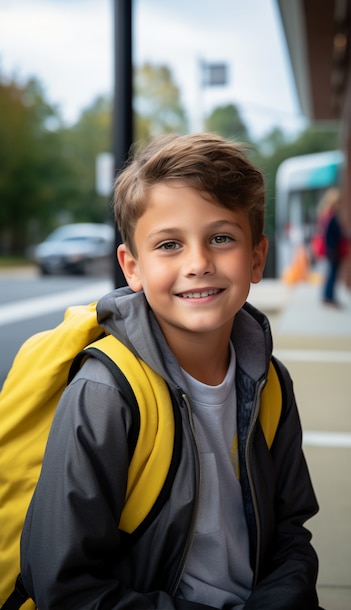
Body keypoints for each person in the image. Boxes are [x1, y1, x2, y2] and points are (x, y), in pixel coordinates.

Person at [20, 133, 322, 609]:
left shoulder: (269, 382)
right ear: (132, 267)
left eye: (221, 238)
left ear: (257, 257)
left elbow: (291, 532)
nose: (199, 263)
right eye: (169, 245)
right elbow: (67, 587)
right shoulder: (105, 394)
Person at [317, 187, 347, 306]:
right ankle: (329, 297)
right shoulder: (332, 216)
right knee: (332, 274)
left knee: (330, 273)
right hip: (333, 249)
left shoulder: (325, 215)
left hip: (331, 249)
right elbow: (332, 234)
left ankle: (328, 296)